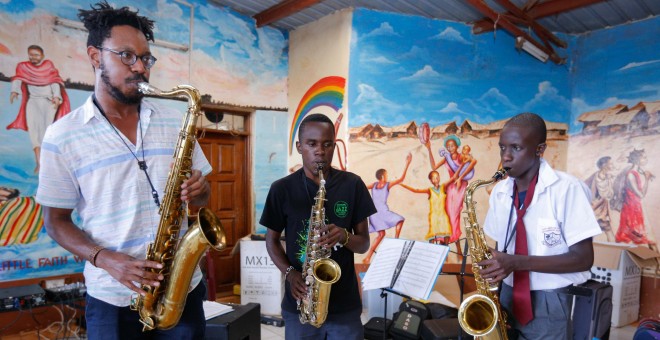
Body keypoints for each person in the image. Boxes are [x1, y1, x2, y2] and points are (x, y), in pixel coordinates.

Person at [35, 2, 212, 339]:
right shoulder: (62, 136)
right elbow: (55, 222)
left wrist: (200, 192)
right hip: (113, 298)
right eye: (126, 56)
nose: (140, 67)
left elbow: (203, 200)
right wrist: (103, 258)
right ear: (95, 55)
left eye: (146, 58)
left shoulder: (175, 121)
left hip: (182, 292)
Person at [478, 112, 602, 339]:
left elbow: (584, 258)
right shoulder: (500, 192)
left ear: (540, 149)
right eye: (502, 148)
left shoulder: (568, 189)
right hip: (506, 294)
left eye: (516, 148)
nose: (506, 157)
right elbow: (501, 248)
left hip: (550, 298)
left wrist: (517, 262)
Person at [260, 113, 376, 339]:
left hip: (345, 306)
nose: (320, 151)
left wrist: (344, 236)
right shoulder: (281, 189)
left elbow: (363, 244)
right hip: (300, 300)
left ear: (334, 145)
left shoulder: (353, 184)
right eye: (311, 144)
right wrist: (290, 273)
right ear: (299, 147)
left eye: (327, 144)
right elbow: (271, 240)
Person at [7, 45, 71, 173]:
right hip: (32, 102)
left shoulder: (48, 66)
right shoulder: (23, 67)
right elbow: (18, 79)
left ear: (42, 56)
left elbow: (54, 81)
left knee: (46, 132)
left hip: (48, 103)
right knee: (33, 133)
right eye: (31, 54)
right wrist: (14, 91)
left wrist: (57, 97)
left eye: (36, 55)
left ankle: (49, 162)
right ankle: (39, 163)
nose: (33, 57)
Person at [424, 134, 476, 243]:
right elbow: (434, 167)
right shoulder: (447, 158)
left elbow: (473, 162)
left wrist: (460, 177)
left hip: (459, 186)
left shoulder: (461, 156)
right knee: (447, 212)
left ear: (457, 146)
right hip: (450, 186)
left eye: (452, 146)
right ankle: (445, 236)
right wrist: (429, 148)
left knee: (454, 212)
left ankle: (453, 236)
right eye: (448, 146)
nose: (450, 148)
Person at [363, 152, 412, 264]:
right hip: (381, 212)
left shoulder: (375, 185)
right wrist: (407, 164)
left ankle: (368, 257)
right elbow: (401, 179)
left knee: (381, 234)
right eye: (386, 175)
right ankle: (396, 241)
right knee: (400, 220)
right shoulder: (385, 185)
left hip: (374, 214)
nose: (387, 176)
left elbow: (361, 186)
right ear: (382, 176)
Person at [615, 149, 656, 245]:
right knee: (632, 232)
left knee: (635, 232)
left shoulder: (637, 172)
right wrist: (646, 179)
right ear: (637, 160)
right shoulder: (631, 175)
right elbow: (641, 195)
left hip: (635, 205)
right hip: (631, 207)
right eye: (644, 158)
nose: (646, 159)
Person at [400, 170, 453, 243]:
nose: (436, 179)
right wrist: (403, 185)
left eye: (437, 177)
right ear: (431, 180)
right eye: (434, 178)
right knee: (432, 235)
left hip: (443, 215)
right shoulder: (430, 190)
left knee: (446, 232)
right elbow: (416, 190)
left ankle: (445, 249)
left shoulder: (443, 187)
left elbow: (454, 178)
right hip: (434, 216)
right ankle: (431, 250)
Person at [585, 156, 616, 242]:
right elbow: (604, 193)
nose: (613, 165)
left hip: (602, 208)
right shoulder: (598, 177)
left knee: (604, 229)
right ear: (604, 165)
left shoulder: (607, 176)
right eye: (610, 163)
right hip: (596, 207)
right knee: (604, 229)